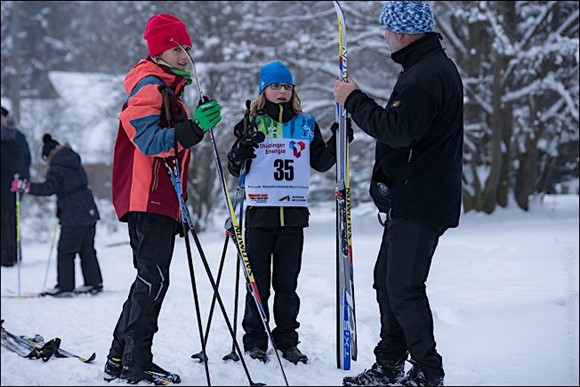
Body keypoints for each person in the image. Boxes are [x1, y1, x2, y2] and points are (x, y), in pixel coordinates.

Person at [334, 2, 463, 386]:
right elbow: (407, 136)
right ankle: (389, 362)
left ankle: (427, 370)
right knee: (386, 281)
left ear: (404, 33)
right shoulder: (423, 68)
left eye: (388, 30)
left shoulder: (425, 75)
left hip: (421, 201)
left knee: (404, 288)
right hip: (410, 197)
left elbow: (397, 130)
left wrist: (353, 99)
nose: (385, 36)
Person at [103, 13, 222, 385]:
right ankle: (135, 363)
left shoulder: (170, 89)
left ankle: (119, 357)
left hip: (161, 199)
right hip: (146, 198)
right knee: (153, 281)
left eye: (186, 47)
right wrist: (195, 127)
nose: (184, 54)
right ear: (159, 50)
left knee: (149, 279)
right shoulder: (149, 86)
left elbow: (174, 146)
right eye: (175, 47)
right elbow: (150, 142)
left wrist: (193, 126)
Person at [226, 61, 353, 365]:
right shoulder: (251, 121)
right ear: (263, 90)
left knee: (288, 285)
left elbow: (321, 162)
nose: (281, 92)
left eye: (286, 86)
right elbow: (233, 166)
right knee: (257, 283)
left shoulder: (305, 123)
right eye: (275, 86)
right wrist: (242, 149)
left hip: (293, 216)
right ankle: (255, 340)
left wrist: (339, 139)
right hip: (259, 215)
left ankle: (287, 340)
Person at [10, 133, 103, 297]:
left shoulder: (57, 167)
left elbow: (48, 188)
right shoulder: (74, 161)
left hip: (74, 216)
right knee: (87, 249)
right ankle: (94, 283)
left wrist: (25, 186)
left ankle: (65, 287)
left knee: (66, 251)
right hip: (89, 212)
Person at [1, 106, 31, 267]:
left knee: (11, 220)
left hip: (13, 184)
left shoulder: (16, 137)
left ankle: (11, 254)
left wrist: (23, 181)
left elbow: (25, 160)